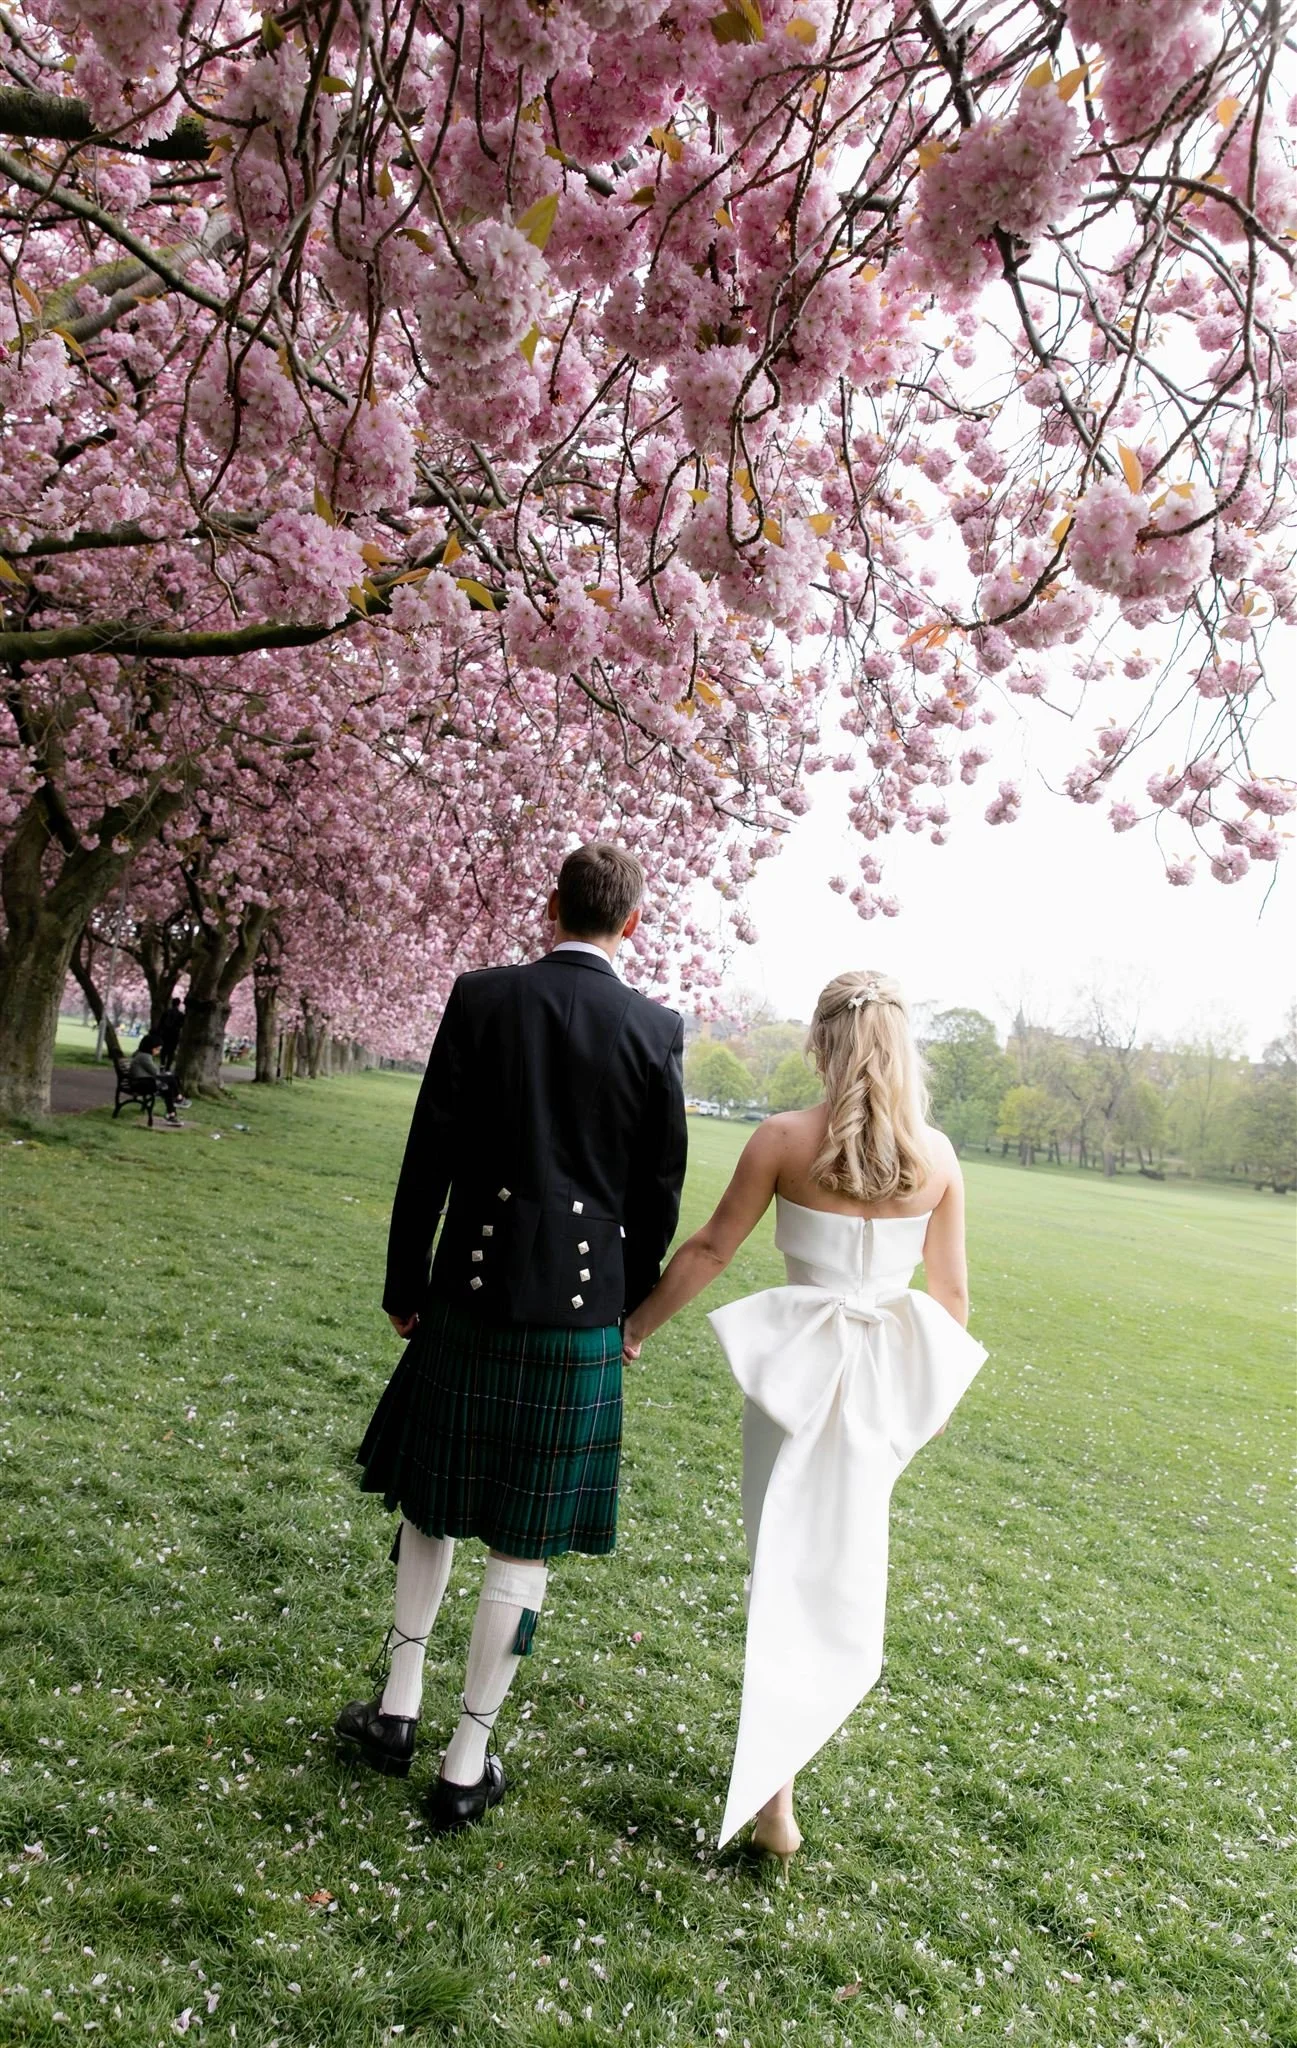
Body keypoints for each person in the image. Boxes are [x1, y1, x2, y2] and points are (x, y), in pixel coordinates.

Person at [336, 844, 687, 1833]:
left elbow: (430, 1148)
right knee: (522, 1537)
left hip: (470, 1293)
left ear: (549, 906)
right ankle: (465, 1758)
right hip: (580, 1318)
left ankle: (397, 1708)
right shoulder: (655, 1027)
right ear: (633, 923)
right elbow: (657, 1191)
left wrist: (408, 1281)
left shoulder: (482, 996)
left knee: (433, 1499)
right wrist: (631, 1304)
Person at [622, 969, 987, 1873]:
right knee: (837, 1569)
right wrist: (926, 1407)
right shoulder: (936, 1156)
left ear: (821, 1041)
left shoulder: (783, 1139)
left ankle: (775, 1804)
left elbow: (711, 1248)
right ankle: (777, 1789)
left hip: (793, 1384)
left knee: (777, 1561)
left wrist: (634, 1329)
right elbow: (950, 1296)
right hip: (881, 1393)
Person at [127, 1033, 189, 1122]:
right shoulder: (144, 1057)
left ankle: (172, 1114)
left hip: (143, 1081)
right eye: (157, 1049)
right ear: (150, 1047)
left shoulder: (142, 1054)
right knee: (171, 1079)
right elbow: (155, 1072)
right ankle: (178, 1099)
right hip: (140, 1084)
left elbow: (154, 1072)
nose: (158, 1051)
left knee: (168, 1087)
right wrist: (166, 1075)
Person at [158, 996, 184, 1068]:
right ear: (178, 1004)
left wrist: (160, 1033)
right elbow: (181, 1025)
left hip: (166, 1034)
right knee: (171, 1052)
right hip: (175, 1035)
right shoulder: (180, 1015)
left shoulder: (166, 1012)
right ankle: (168, 1067)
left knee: (164, 1050)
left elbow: (161, 1024)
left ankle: (162, 1064)